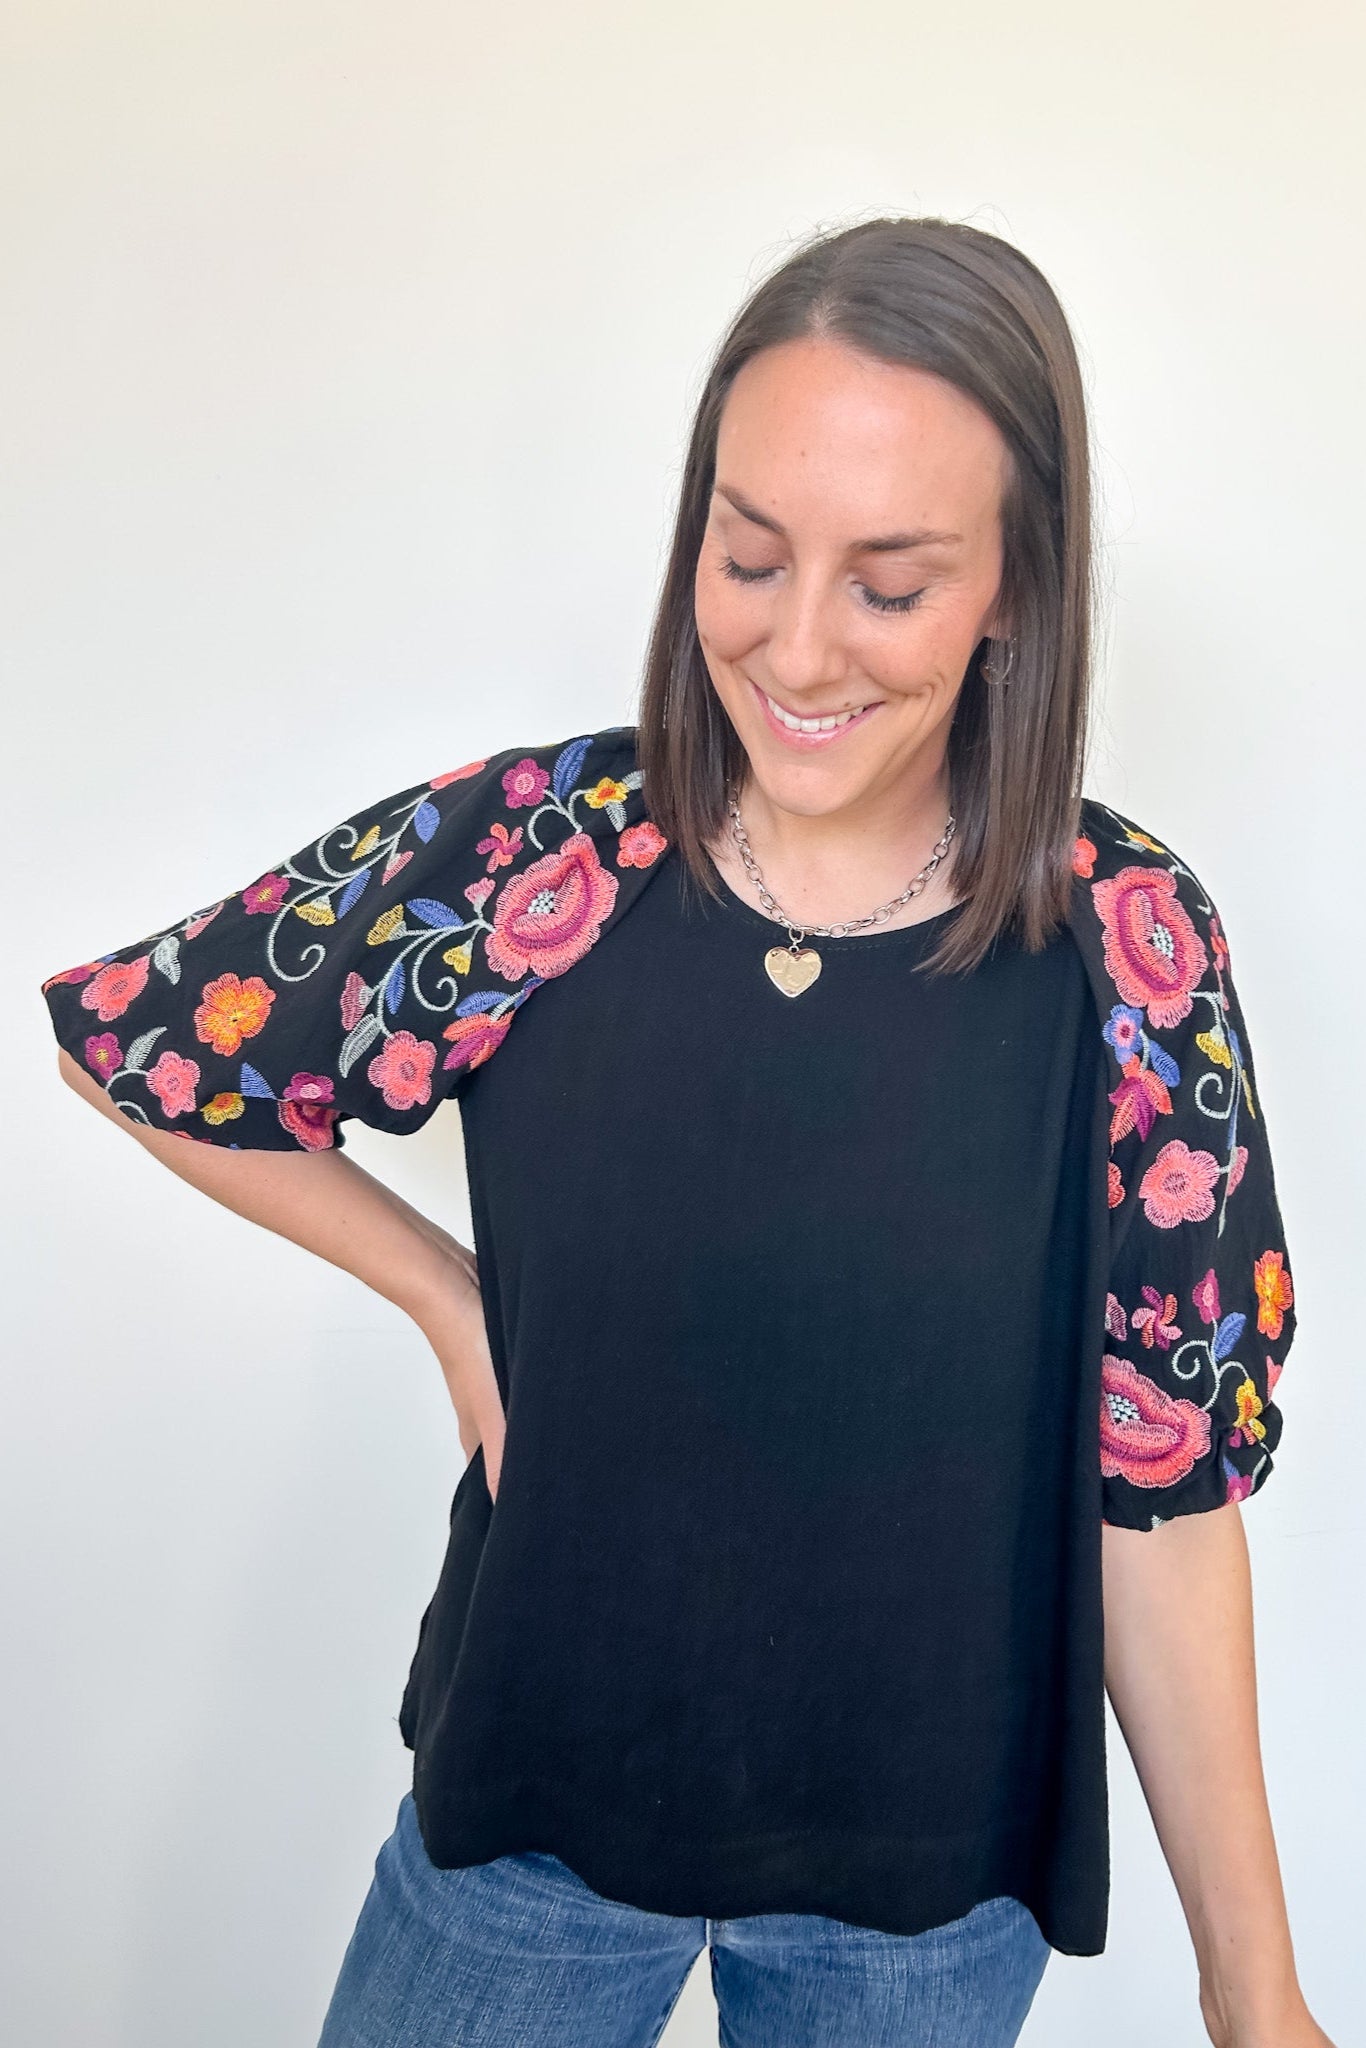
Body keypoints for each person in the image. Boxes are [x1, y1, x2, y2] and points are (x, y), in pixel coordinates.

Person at [39, 217, 1333, 2048]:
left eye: (889, 585)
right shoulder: (536, 862)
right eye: (747, 554)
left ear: (1014, 594)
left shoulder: (1123, 947)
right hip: (533, 1827)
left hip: (925, 1890)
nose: (795, 648)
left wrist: (1253, 1988)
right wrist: (445, 1296)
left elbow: (1166, 1496)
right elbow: (142, 1044)